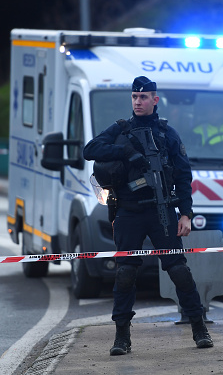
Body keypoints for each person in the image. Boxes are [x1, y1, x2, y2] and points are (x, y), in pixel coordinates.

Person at [82, 76, 213, 356]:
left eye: (143, 97)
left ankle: (199, 328)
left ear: (155, 100)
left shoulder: (167, 134)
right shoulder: (120, 129)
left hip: (162, 210)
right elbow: (89, 150)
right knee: (126, 273)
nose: (138, 102)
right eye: (134, 97)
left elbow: (183, 175)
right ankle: (121, 337)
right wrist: (126, 151)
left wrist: (186, 213)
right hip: (128, 211)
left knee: (178, 270)